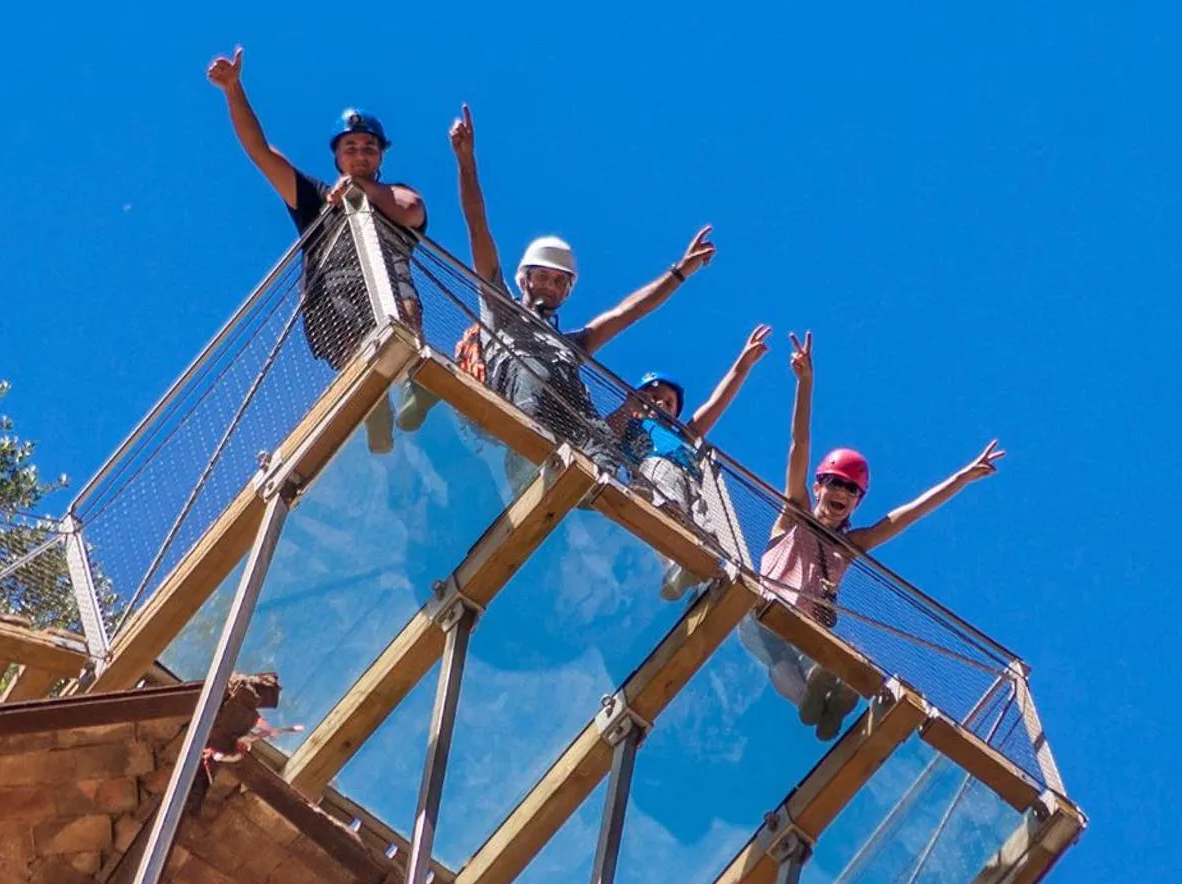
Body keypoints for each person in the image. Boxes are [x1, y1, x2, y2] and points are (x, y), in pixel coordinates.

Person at [407, 104, 713, 475]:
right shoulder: (500, 308)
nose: (551, 287)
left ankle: (596, 490)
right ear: (525, 279)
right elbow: (478, 227)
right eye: (544, 277)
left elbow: (629, 312)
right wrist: (466, 162)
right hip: (521, 401)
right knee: (535, 369)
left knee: (596, 434)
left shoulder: (572, 344)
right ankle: (524, 463)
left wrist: (679, 273)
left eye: (559, 281)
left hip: (567, 411)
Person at [739, 331, 1007, 739]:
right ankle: (810, 703)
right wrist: (806, 384)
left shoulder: (850, 545)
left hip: (807, 631)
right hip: (766, 615)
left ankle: (825, 701)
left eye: (851, 490)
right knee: (782, 667)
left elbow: (907, 516)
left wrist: (962, 478)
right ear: (818, 486)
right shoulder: (792, 516)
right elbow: (799, 444)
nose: (841, 494)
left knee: (831, 659)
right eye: (835, 484)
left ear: (857, 502)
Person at [206, 46, 426, 452]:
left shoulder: (394, 193)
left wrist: (361, 190)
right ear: (338, 156)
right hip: (330, 295)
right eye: (351, 148)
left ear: (380, 155)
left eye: (368, 147)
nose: (360, 154)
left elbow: (411, 211)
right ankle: (374, 405)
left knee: (402, 311)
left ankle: (415, 381)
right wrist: (234, 90)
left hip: (386, 289)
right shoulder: (316, 198)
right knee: (348, 345)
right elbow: (260, 151)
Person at [608, 324, 773, 599]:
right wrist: (630, 408)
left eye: (668, 402)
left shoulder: (683, 435)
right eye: (653, 397)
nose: (660, 404)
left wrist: (742, 364)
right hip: (656, 469)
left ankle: (690, 571)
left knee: (709, 527)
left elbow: (716, 403)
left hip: (693, 482)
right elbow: (605, 430)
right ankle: (674, 561)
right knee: (668, 499)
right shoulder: (630, 426)